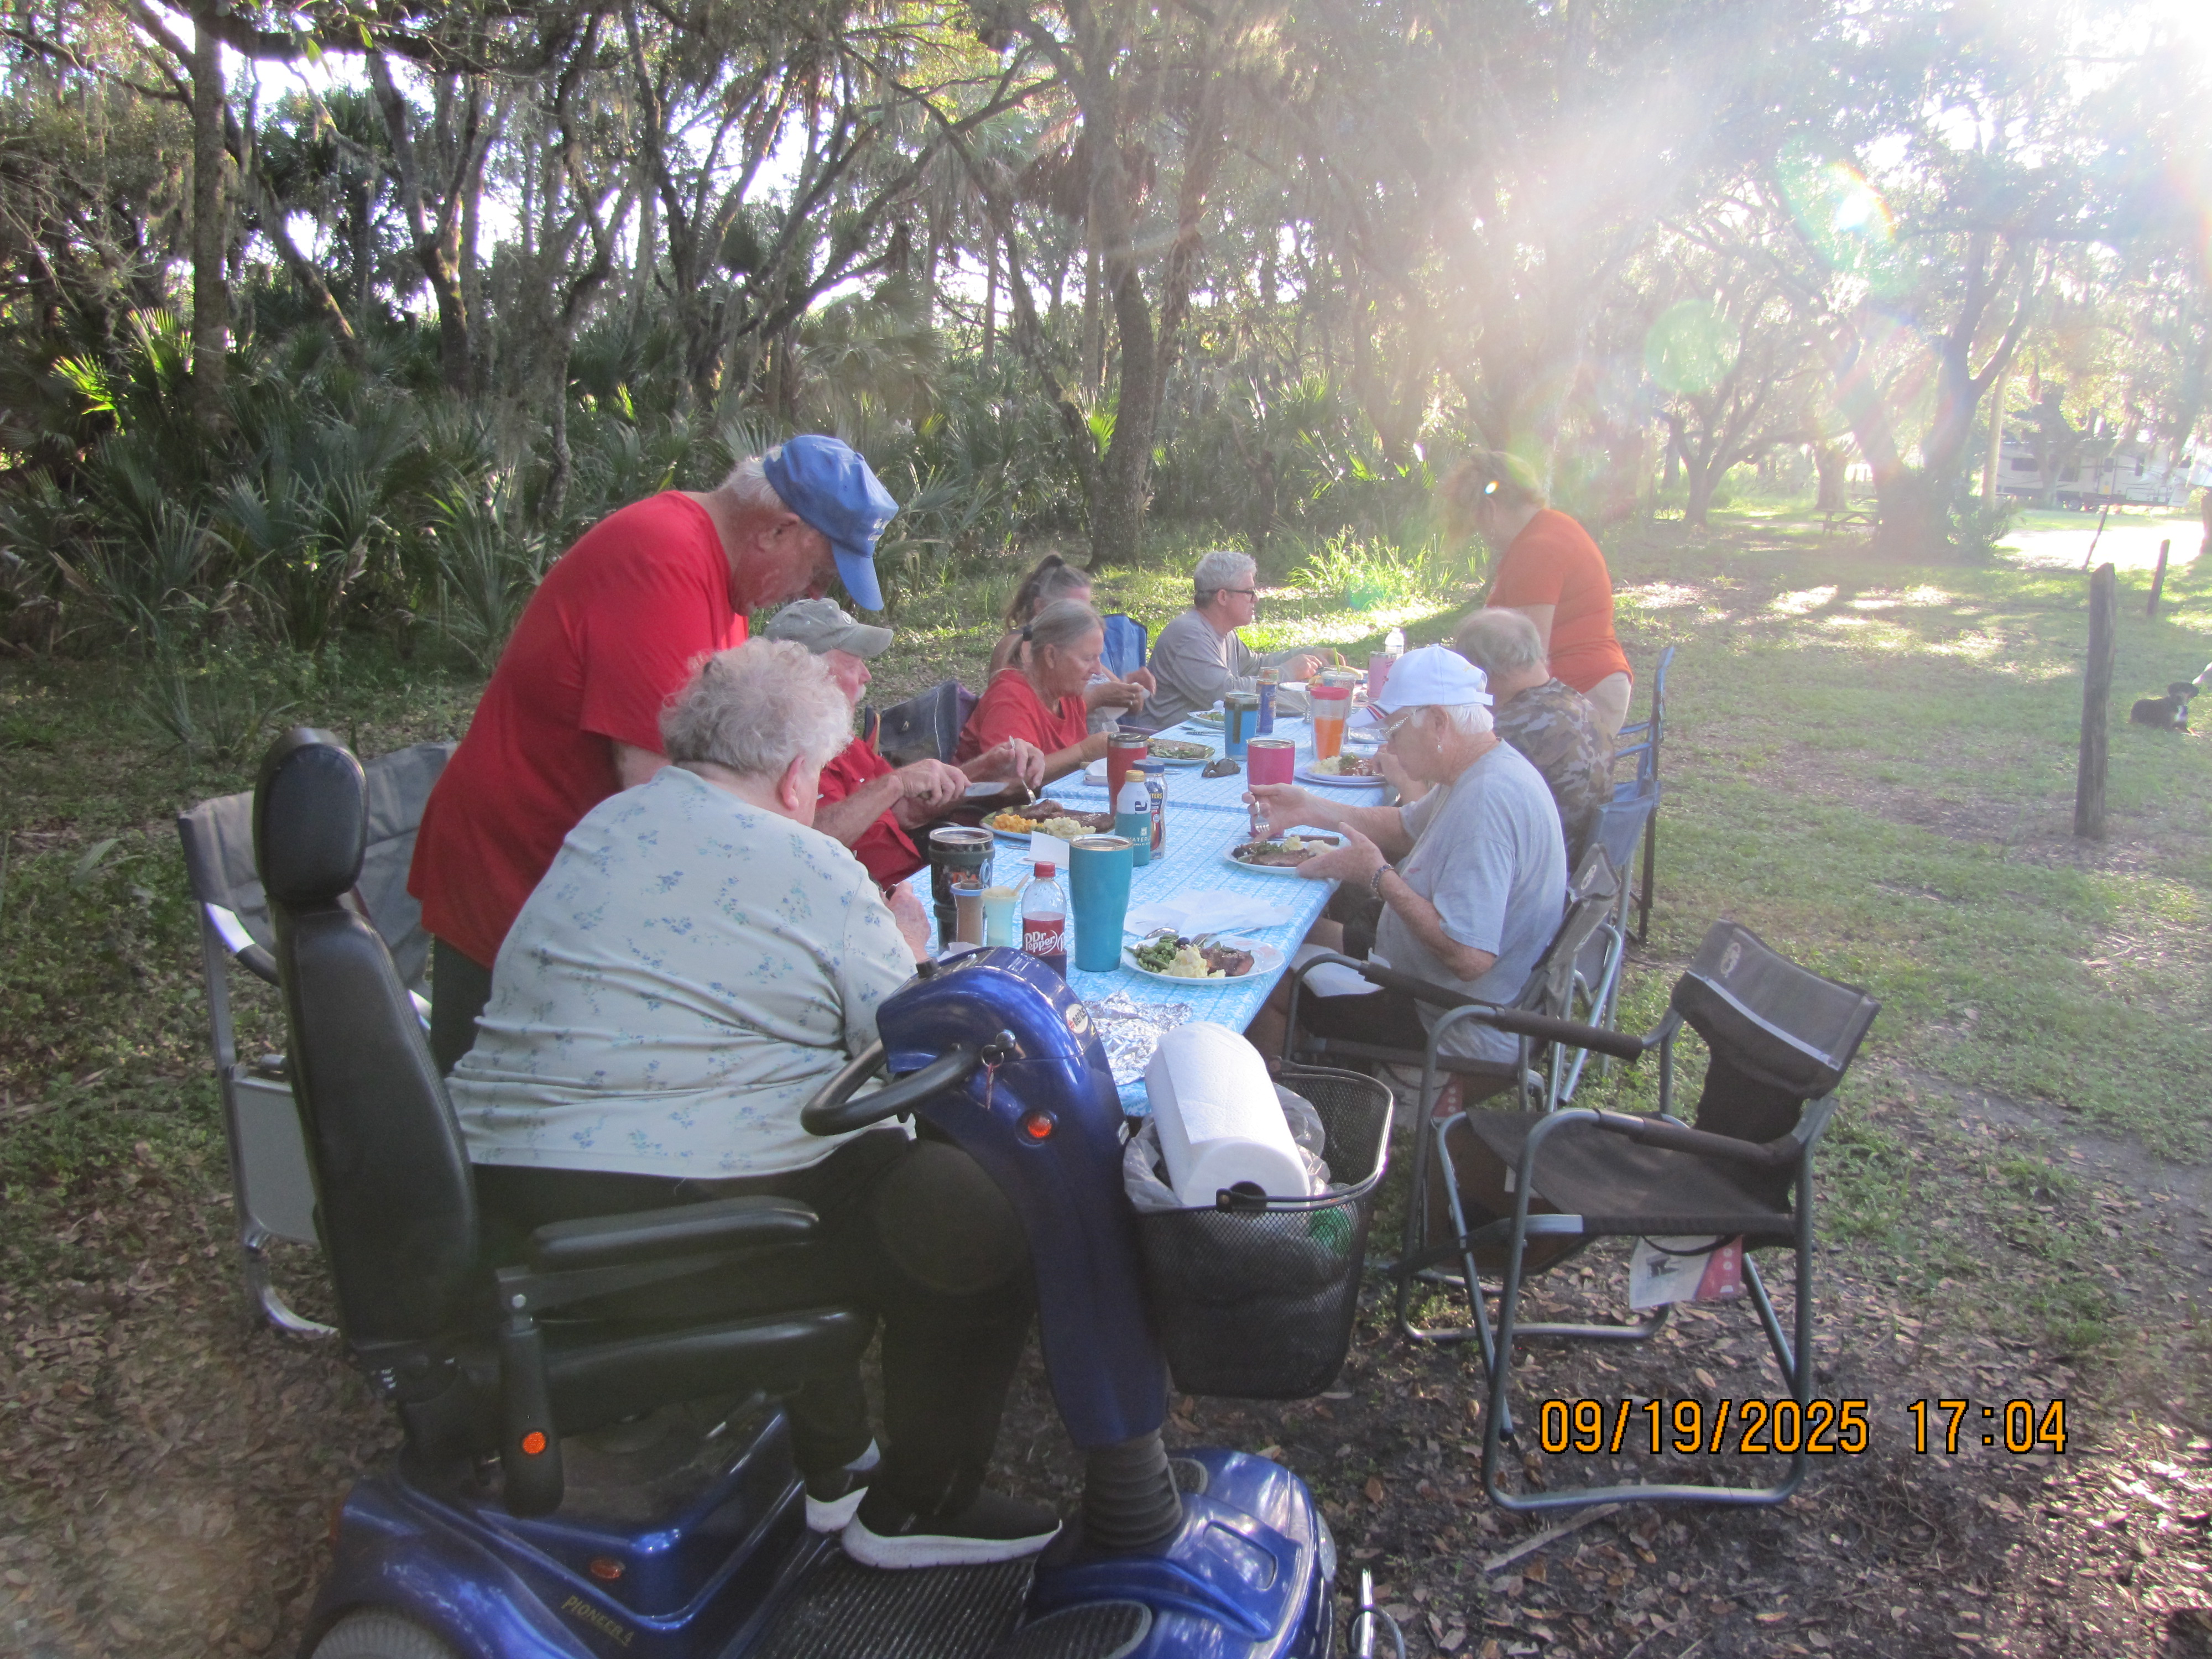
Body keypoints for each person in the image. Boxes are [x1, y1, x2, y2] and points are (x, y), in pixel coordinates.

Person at [449, 640, 1058, 1571]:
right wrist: (896, 933)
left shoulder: (604, 828)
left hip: (504, 1194)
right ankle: (919, 1505)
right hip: (677, 1218)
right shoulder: (809, 864)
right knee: (971, 1213)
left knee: (810, 1136)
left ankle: (837, 1461)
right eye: (817, 779)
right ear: (791, 778)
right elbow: (914, 1035)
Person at [409, 435, 900, 1076]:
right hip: (519, 869)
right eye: (820, 570)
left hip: (578, 879)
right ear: (779, 530)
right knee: (491, 1103)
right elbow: (670, 802)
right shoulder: (665, 560)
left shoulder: (723, 583)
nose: (809, 591)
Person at [1243, 646, 1567, 1069]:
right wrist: (1310, 807)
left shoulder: (1487, 802)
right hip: (1418, 969)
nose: (1388, 743)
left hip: (1449, 1017)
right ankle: (1321, 1069)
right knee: (1278, 934)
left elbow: (1469, 957)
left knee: (1260, 981)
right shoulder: (1481, 768)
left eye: (1394, 729)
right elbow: (1403, 826)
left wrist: (1378, 877)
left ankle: (1297, 1112)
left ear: (1437, 722)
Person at [761, 598, 1046, 887]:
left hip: (918, 880)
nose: (866, 675)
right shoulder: (776, 753)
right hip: (869, 900)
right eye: (852, 663)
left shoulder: (844, 741)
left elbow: (907, 812)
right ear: (805, 675)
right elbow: (802, 847)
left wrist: (988, 766)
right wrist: (893, 783)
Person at [1441, 450, 1634, 739]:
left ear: (1491, 509)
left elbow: (1526, 663)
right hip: (1587, 686)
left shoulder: (1537, 550)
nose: (1482, 536)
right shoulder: (1551, 526)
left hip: (1581, 692)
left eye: (1478, 526)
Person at [1451, 607, 1614, 865]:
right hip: (1582, 868)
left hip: (1535, 876)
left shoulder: (1517, 728)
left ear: (1484, 671)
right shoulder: (1576, 701)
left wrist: (1404, 779)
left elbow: (1445, 821)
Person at [1142, 550, 1328, 730]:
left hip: (1204, 738)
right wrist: (1286, 672)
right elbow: (1229, 694)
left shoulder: (1223, 632)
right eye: (1249, 592)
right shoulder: (1189, 635)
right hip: (1170, 745)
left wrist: (1309, 654)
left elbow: (1256, 665)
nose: (1256, 599)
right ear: (1223, 596)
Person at [955, 599, 1118, 783]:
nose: (1097, 670)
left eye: (1098, 658)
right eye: (1088, 658)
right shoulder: (1010, 698)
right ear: (1051, 656)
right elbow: (1011, 781)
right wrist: (1083, 752)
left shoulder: (1067, 694)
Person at [985, 555, 1155, 729]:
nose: (1083, 617)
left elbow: (1132, 709)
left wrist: (1134, 690)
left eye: (1088, 609)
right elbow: (1026, 720)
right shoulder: (1019, 647)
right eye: (1073, 609)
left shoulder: (1082, 651)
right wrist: (1098, 698)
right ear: (1040, 607)